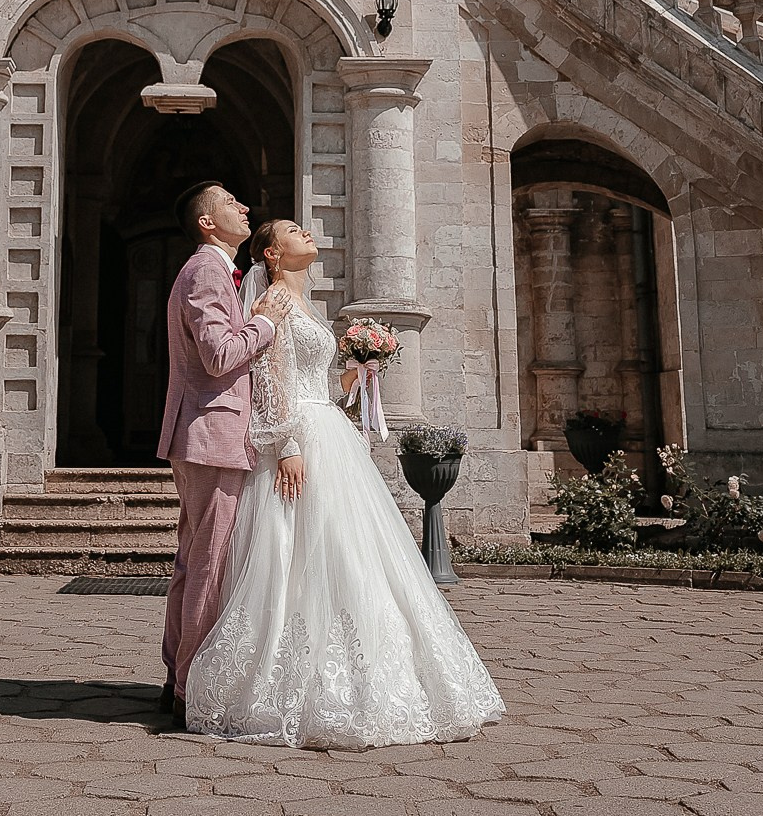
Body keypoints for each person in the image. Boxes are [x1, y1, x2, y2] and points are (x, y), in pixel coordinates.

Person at [182, 218, 504, 748]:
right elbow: (268, 377)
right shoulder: (275, 304)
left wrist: (359, 372)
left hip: (328, 432)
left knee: (348, 554)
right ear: (271, 254)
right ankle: (285, 685)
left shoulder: (305, 304)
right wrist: (285, 445)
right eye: (293, 231)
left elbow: (319, 384)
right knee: (298, 556)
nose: (307, 233)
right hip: (299, 438)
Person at [156, 180, 279, 721]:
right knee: (209, 561)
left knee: (194, 560)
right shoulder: (207, 268)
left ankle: (176, 677)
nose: (245, 207)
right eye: (231, 202)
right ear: (208, 223)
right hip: (211, 433)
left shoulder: (214, 269)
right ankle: (189, 688)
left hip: (207, 432)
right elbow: (218, 354)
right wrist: (267, 322)